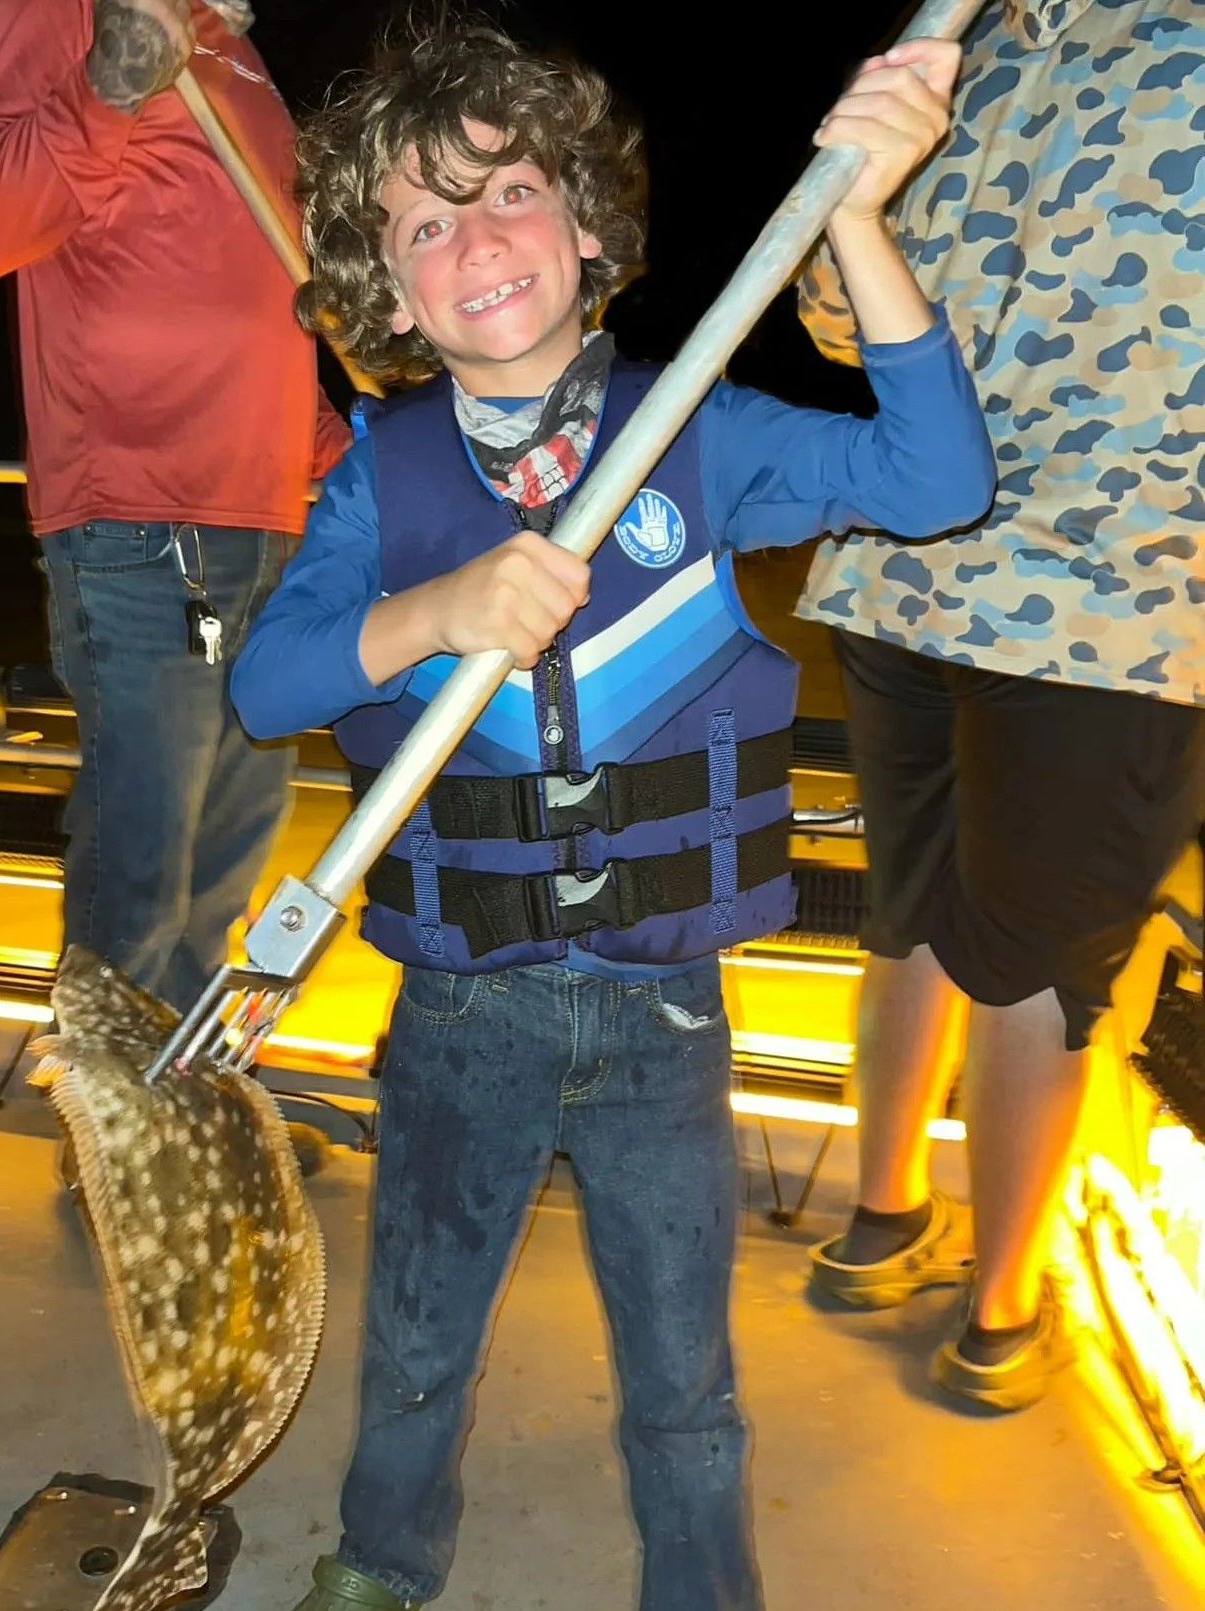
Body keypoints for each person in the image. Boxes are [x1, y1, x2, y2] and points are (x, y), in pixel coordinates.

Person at [231, 20, 992, 1609]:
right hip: (457, 1011)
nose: (472, 243)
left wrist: (858, 209)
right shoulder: (379, 476)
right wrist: (435, 607)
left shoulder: (703, 431)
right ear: (395, 289)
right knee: (418, 1348)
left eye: (504, 194)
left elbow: (934, 481)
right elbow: (268, 688)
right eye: (422, 227)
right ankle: (381, 1566)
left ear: (585, 227)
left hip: (664, 1010)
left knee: (684, 1379)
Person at [799, 0, 1205, 1414]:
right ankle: (980, 1291)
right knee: (985, 936)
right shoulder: (969, 50)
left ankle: (902, 1234)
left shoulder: (986, 50)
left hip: (1002, 577)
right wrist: (860, 188)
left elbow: (838, 322)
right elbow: (837, 319)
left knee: (953, 922)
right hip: (1057, 593)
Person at [0, 0, 352, 1014]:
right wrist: (106, 88)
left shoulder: (236, 47)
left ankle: (190, 1131)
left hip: (269, 520)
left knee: (222, 867)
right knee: (142, 870)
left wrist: (350, 457)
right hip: (140, 522)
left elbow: (253, 293)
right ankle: (118, 1163)